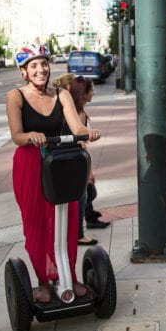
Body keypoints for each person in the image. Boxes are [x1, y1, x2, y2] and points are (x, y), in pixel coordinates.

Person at [6, 44, 101, 303]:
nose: (40, 69)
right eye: (33, 66)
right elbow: (16, 135)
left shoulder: (62, 95)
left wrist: (87, 132)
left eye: (43, 64)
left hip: (61, 162)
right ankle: (43, 281)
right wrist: (29, 136)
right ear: (24, 71)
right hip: (30, 165)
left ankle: (68, 275)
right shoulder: (16, 97)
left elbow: (77, 125)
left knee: (68, 222)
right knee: (37, 225)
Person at [68, 76, 110, 246]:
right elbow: (80, 144)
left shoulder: (80, 112)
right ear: (83, 93)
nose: (93, 93)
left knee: (89, 193)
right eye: (91, 90)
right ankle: (78, 234)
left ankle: (90, 218)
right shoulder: (78, 114)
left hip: (78, 159)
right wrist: (88, 171)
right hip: (75, 161)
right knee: (84, 195)